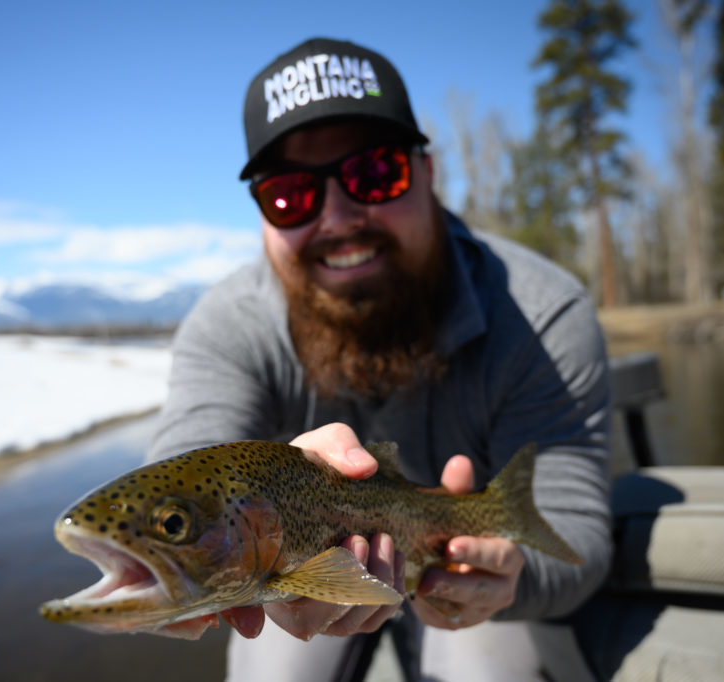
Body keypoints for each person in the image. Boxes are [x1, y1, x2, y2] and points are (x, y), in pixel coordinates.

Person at [148, 37, 613, 681]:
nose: (339, 218)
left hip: (458, 570)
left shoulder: (542, 315)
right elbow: (180, 470)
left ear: (426, 171)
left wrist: (511, 575)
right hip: (299, 574)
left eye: (375, 174)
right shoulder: (227, 326)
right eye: (290, 194)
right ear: (260, 214)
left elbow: (576, 533)